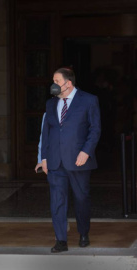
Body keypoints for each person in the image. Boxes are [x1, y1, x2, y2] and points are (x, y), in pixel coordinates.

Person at [41, 67, 101, 253]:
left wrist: (86, 152)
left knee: (81, 198)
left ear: (68, 83)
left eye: (57, 81)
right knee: (57, 201)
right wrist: (43, 157)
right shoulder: (51, 104)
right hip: (55, 161)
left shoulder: (89, 100)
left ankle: (83, 233)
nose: (54, 85)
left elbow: (95, 129)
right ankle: (61, 240)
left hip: (78, 160)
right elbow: (47, 132)